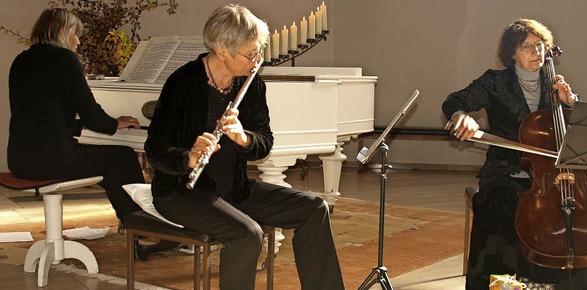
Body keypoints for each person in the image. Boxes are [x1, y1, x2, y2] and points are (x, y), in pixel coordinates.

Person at [144, 4, 345, 290]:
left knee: (314, 208)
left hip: (233, 189)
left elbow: (265, 142)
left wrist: (244, 138)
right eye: (251, 53)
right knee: (247, 234)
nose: (257, 60)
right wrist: (188, 157)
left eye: (258, 51)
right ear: (222, 50)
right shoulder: (182, 84)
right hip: (181, 192)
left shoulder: (251, 84)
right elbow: (154, 149)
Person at [442, 19, 587, 289]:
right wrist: (462, 116)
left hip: (556, 175)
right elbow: (453, 101)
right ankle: (505, 284)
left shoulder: (553, 83)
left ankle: (575, 283)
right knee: (500, 206)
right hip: (507, 170)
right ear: (511, 53)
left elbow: (579, 133)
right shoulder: (495, 82)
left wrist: (572, 103)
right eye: (527, 47)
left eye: (540, 45)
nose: (536, 53)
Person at [7, 8, 176, 259]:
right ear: (64, 31)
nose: (78, 41)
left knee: (112, 160)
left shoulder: (21, 60)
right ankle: (144, 231)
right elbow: (91, 115)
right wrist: (114, 123)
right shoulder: (64, 60)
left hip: (20, 160)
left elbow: (41, 117)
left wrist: (89, 127)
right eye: (77, 35)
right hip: (52, 159)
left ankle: (139, 224)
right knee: (121, 158)